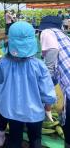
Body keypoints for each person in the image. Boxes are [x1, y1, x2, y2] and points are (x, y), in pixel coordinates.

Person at [0, 21, 56, 148]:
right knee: (35, 140)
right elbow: (48, 94)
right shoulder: (39, 66)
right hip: (34, 113)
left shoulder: (4, 63)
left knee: (14, 140)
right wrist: (48, 108)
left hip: (12, 112)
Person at [39, 16, 70, 148]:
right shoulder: (63, 36)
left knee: (68, 127)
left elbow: (52, 55)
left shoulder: (47, 32)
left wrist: (47, 101)